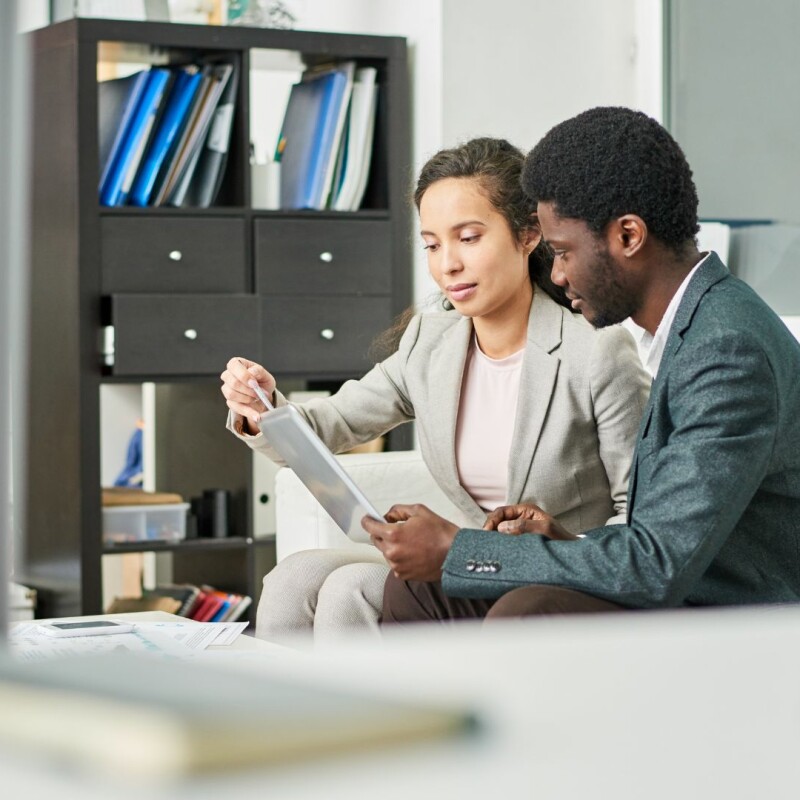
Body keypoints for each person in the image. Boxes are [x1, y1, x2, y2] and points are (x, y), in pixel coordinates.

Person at [363, 107, 800, 623]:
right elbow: (658, 536)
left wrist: (458, 549)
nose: (557, 275)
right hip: (673, 582)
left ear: (628, 236)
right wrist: (565, 539)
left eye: (563, 252)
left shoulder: (726, 350)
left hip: (733, 617)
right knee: (420, 591)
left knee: (528, 610)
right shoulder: (693, 326)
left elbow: (658, 565)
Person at [221, 136, 650, 644]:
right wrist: (261, 407)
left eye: (468, 238)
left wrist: (543, 547)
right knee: (294, 578)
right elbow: (330, 426)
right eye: (432, 244)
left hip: (554, 577)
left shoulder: (596, 352)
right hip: (468, 562)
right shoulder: (431, 342)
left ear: (528, 234)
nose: (448, 264)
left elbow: (641, 521)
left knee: (348, 590)